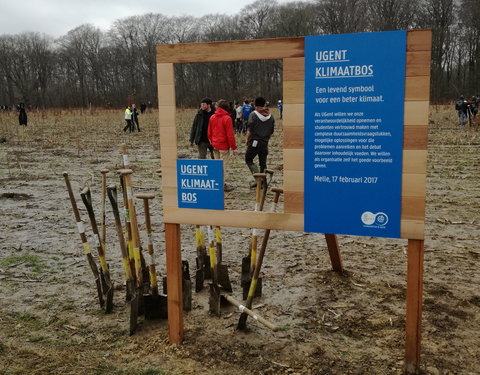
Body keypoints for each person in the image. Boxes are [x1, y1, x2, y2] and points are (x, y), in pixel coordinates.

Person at [208, 99, 237, 192]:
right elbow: (230, 135)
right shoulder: (227, 118)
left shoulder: (212, 117)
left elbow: (209, 132)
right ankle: (222, 185)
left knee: (217, 165)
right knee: (223, 166)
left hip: (215, 145)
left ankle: (217, 183)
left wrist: (212, 142)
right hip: (224, 146)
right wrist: (233, 147)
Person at [245, 96, 275, 184]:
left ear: (256, 106)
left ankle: (258, 179)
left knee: (248, 159)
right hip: (265, 143)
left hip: (254, 141)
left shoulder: (253, 114)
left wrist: (247, 139)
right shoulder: (271, 116)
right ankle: (263, 182)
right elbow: (271, 132)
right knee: (263, 163)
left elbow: (250, 130)